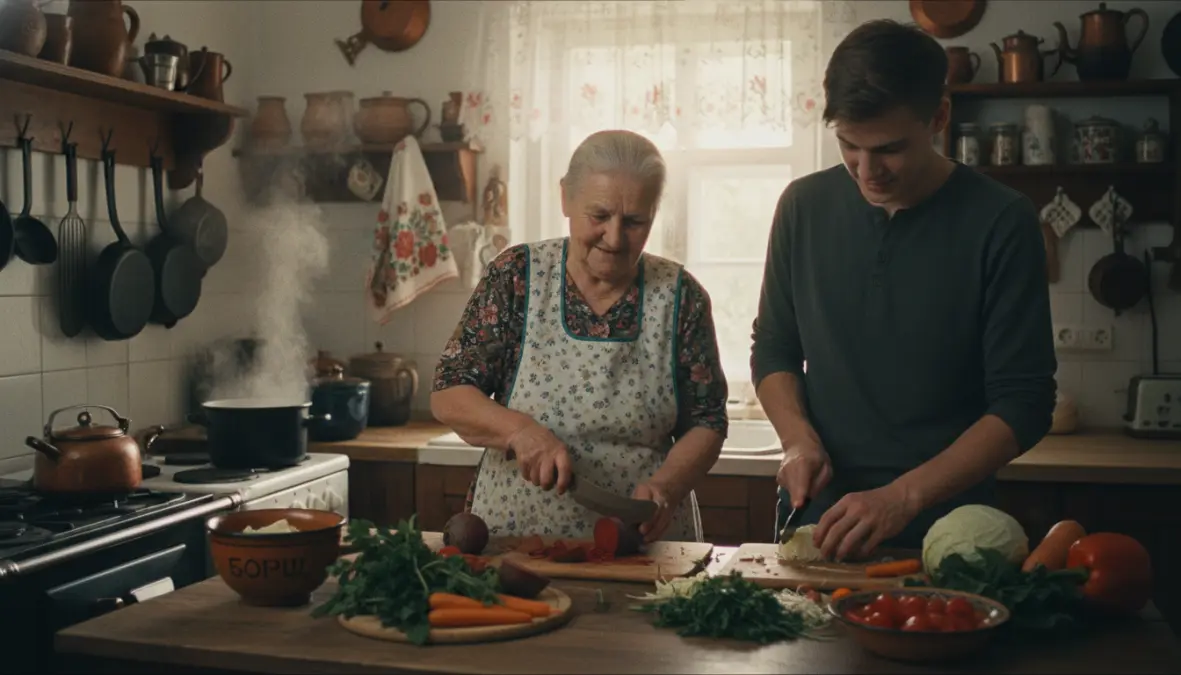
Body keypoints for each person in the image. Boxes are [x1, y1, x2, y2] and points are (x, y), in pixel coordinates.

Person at [752, 20, 1057, 560]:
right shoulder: (802, 207)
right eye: (849, 145)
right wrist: (797, 439)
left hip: (950, 532)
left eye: (889, 149)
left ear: (938, 117)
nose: (867, 171)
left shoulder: (1002, 220)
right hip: (820, 524)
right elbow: (775, 348)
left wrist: (902, 497)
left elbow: (1025, 404)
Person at [432, 129, 728, 543]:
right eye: (600, 216)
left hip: (644, 542)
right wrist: (520, 432)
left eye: (635, 221)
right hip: (516, 538)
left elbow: (708, 421)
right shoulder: (516, 276)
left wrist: (668, 486)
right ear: (566, 198)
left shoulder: (682, 297)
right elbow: (450, 391)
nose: (614, 237)